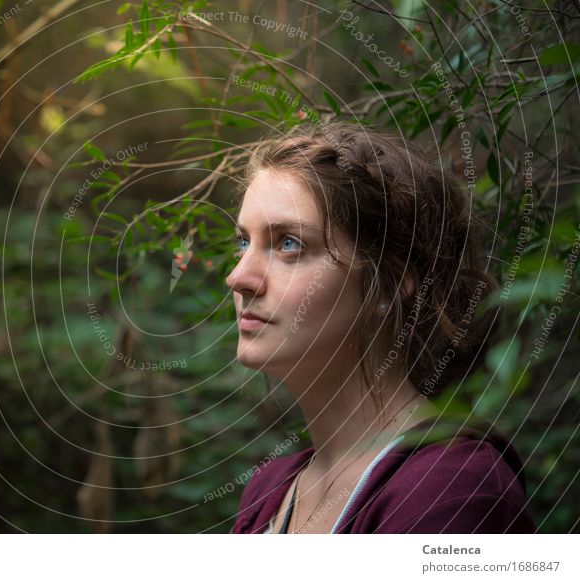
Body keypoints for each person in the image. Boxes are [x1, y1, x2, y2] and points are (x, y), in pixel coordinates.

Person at [225, 121, 535, 534]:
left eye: (288, 244)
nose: (238, 277)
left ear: (390, 281)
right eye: (244, 242)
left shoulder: (450, 489)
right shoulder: (268, 494)